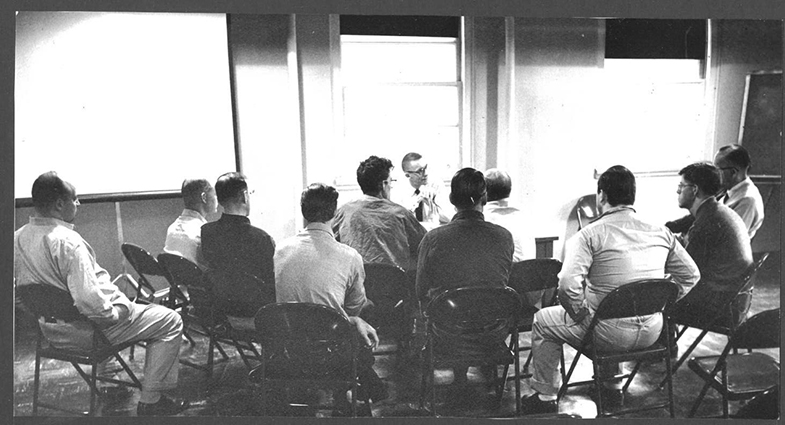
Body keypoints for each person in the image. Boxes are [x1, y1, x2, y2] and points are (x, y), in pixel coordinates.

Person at [521, 166, 700, 415]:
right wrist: (662, 301)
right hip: (652, 330)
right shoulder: (661, 232)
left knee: (543, 320)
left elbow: (567, 286)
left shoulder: (589, 235)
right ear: (632, 196)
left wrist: (579, 312)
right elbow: (691, 275)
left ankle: (545, 395)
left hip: (606, 334)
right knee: (608, 304)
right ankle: (611, 387)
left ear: (602, 195)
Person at [14, 172, 189, 416]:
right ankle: (151, 400)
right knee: (170, 320)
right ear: (59, 204)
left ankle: (109, 384)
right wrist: (116, 313)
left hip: (50, 333)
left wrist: (43, 313)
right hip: (89, 333)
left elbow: (17, 295)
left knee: (103, 311)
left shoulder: (16, 238)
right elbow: (90, 303)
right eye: (75, 199)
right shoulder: (68, 242)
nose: (78, 204)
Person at [274, 183, 388, 411]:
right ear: (334, 213)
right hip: (330, 351)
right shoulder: (349, 256)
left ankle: (358, 384)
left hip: (289, 347)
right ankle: (353, 387)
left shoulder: (280, 249)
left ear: (303, 211)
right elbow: (355, 307)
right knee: (366, 310)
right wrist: (352, 319)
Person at [416, 168, 515, 384]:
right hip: (494, 332)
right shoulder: (504, 237)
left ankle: (456, 375)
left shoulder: (433, 238)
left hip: (448, 332)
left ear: (452, 199)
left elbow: (420, 290)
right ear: (485, 197)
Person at [669, 162, 753, 327]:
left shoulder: (707, 222)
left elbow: (685, 272)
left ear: (694, 190)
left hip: (719, 308)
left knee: (654, 300)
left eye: (681, 186)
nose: (678, 191)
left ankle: (666, 344)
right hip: (735, 301)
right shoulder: (716, 211)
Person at [333, 156, 426, 273]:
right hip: (395, 282)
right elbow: (425, 244)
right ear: (383, 184)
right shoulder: (400, 214)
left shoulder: (343, 212)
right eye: (391, 181)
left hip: (356, 280)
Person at [666, 144, 764, 239]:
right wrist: (670, 227)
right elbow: (701, 214)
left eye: (717, 169)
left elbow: (729, 236)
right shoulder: (727, 188)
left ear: (733, 172)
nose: (713, 173)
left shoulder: (747, 200)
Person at [201, 172, 275, 285]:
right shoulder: (262, 238)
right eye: (250, 193)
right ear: (244, 196)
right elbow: (271, 283)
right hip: (253, 297)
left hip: (220, 296)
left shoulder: (207, 232)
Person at [163, 178, 217, 270]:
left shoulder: (172, 229)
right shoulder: (202, 233)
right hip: (199, 279)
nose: (217, 199)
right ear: (204, 197)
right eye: (215, 194)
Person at [399, 152, 452, 230]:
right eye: (420, 171)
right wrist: (414, 203)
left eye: (426, 167)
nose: (426, 173)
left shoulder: (436, 184)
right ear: (407, 175)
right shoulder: (399, 190)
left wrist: (433, 203)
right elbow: (400, 223)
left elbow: (450, 218)